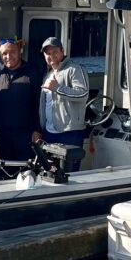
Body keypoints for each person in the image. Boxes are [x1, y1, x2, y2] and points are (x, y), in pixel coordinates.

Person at [35, 36, 89, 171]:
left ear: (62, 51)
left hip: (70, 132)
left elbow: (82, 94)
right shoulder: (47, 75)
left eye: (55, 52)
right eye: (48, 53)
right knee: (51, 171)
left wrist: (57, 87)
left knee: (70, 173)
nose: (51, 56)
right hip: (49, 132)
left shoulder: (75, 69)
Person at [0, 38, 42, 162]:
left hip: (26, 135)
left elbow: (40, 105)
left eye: (12, 52)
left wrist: (37, 129)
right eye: (4, 54)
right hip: (4, 135)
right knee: (7, 172)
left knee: (26, 172)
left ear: (20, 52)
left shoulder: (33, 74)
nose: (8, 56)